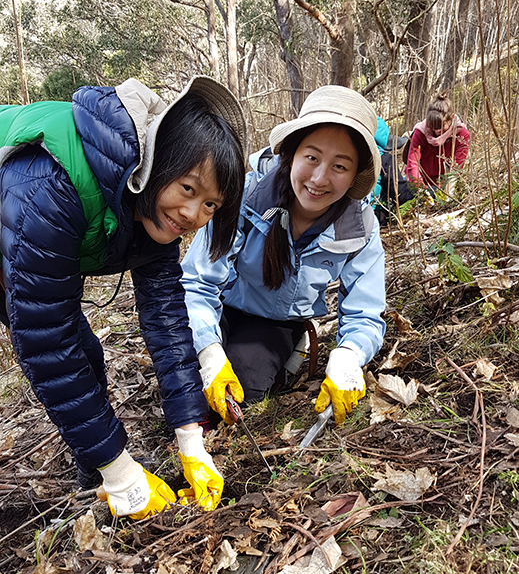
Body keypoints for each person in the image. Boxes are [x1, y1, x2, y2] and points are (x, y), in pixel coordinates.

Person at [0, 75, 246, 517]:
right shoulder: (54, 187)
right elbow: (47, 344)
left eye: (211, 204)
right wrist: (122, 473)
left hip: (19, 248)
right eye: (188, 189)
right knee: (68, 352)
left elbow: (166, 319)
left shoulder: (149, 199)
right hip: (18, 233)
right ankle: (106, 475)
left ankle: (95, 477)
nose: (193, 215)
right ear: (161, 162)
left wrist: (192, 440)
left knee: (89, 361)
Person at [181, 86, 386, 428]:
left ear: (353, 176)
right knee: (186, 377)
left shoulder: (360, 227)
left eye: (340, 166)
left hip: (277, 322)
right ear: (291, 153)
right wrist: (209, 351)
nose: (320, 179)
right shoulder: (244, 195)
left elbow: (366, 313)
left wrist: (350, 356)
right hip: (223, 304)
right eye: (312, 157)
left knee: (242, 388)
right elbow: (197, 283)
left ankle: (289, 350)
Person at [404, 91, 470, 190]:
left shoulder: (462, 135)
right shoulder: (420, 132)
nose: (436, 130)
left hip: (445, 185)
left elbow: (455, 170)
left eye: (441, 126)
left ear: (451, 118)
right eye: (432, 126)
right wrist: (421, 190)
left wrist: (443, 192)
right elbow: (413, 164)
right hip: (419, 183)